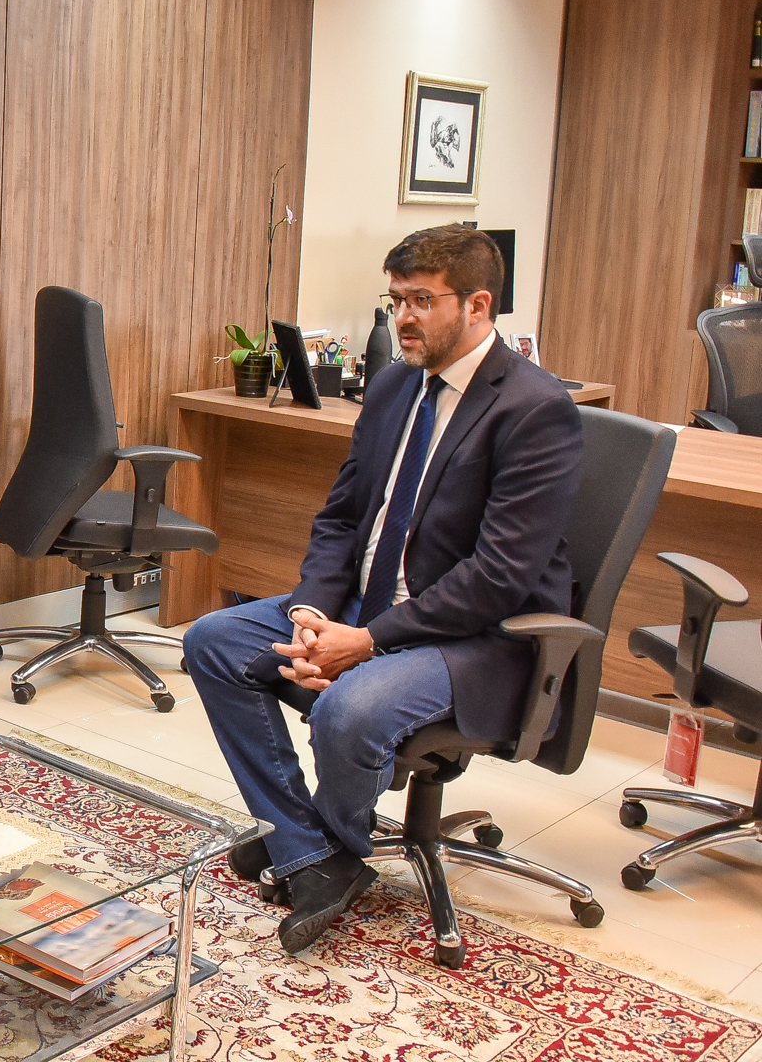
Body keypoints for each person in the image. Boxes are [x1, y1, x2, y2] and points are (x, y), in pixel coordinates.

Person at [183, 224, 583, 955]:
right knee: (214, 641)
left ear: (477, 304)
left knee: (347, 707)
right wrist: (311, 611)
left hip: (476, 640)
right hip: (368, 608)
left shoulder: (534, 410)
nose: (402, 317)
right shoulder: (398, 385)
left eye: (422, 301)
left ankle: (312, 850)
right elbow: (342, 515)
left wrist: (365, 642)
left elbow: (499, 577)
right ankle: (312, 850)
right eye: (396, 299)